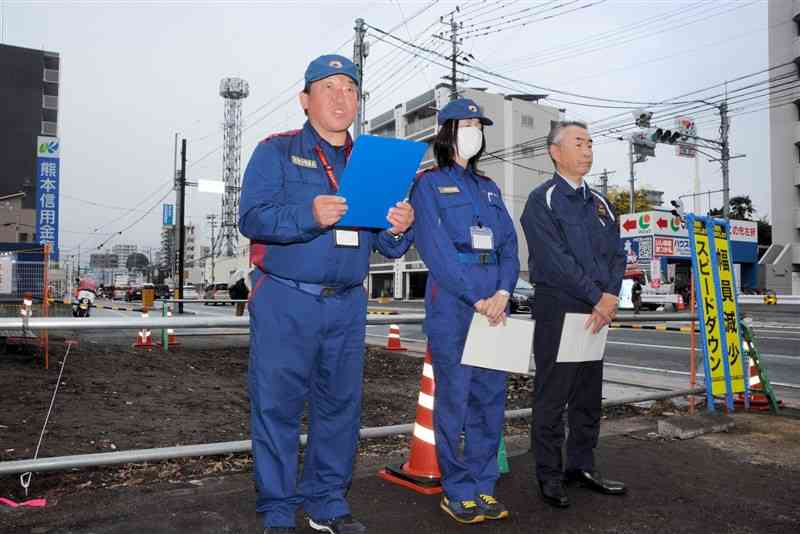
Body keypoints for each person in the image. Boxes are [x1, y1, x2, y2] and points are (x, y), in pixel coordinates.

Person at [238, 54, 415, 534]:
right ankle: (277, 508)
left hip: (347, 302)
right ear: (305, 99)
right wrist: (308, 215)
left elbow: (386, 243)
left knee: (340, 407)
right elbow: (252, 218)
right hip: (285, 299)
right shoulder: (276, 151)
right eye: (330, 87)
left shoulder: (373, 162)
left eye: (351, 89)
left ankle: (327, 502)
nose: (342, 97)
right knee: (276, 406)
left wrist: (401, 227)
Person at [410, 98, 519, 525]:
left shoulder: (488, 186)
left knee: (490, 401)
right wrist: (478, 298)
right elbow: (436, 251)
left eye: (479, 123)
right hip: (455, 304)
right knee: (454, 401)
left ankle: (483, 485)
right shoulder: (428, 184)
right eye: (467, 122)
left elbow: (509, 245)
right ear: (447, 130)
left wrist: (504, 293)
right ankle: (456, 489)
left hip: (495, 302)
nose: (474, 129)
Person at [520, 121, 627, 509]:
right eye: (578, 143)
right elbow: (555, 260)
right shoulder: (542, 199)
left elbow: (617, 252)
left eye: (590, 143)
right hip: (560, 305)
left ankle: (582, 465)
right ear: (555, 151)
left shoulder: (599, 202)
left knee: (587, 393)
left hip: (598, 308)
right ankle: (549, 474)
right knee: (554, 394)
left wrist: (611, 294)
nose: (587, 150)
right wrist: (597, 296)